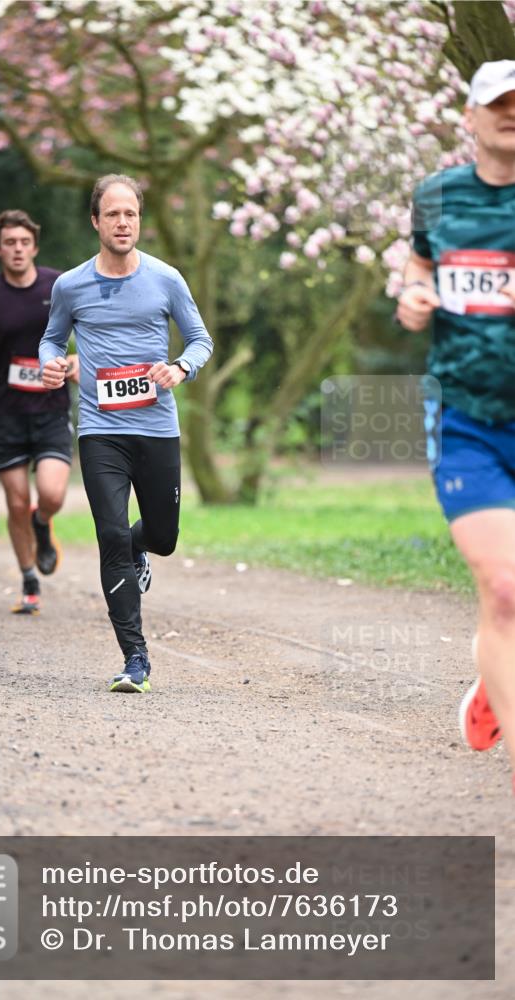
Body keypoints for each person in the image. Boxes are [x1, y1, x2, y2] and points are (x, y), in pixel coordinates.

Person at [40, 174, 213, 692]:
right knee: (111, 534)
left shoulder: (166, 279)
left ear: (140, 219)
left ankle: (141, 551)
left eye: (130, 214)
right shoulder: (70, 285)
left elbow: (201, 340)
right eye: (112, 214)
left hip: (157, 427)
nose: (122, 222)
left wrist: (181, 368)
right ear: (95, 221)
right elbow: (51, 339)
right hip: (100, 430)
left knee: (162, 537)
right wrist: (52, 363)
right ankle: (135, 658)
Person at [396, 60, 515, 790]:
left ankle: (489, 681)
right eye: (497, 104)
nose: (510, 113)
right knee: (504, 587)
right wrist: (413, 296)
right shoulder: (435, 197)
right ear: (468, 119)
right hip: (467, 416)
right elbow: (417, 267)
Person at [0, 209, 78, 614]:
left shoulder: (58, 285)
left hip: (51, 408)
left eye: (24, 242)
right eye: (10, 243)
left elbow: (86, 332)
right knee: (16, 502)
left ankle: (44, 524)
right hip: (6, 412)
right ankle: (28, 581)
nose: (18, 249)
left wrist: (76, 362)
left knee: (52, 495)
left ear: (35, 246)